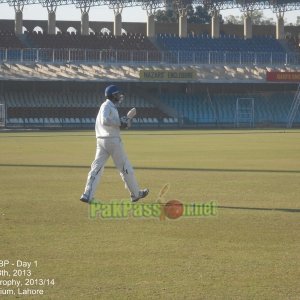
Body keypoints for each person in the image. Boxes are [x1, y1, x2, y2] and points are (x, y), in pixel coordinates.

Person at [80, 85, 149, 203]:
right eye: (117, 94)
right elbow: (105, 120)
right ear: (112, 95)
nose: (119, 96)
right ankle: (136, 194)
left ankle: (87, 194)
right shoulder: (107, 105)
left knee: (96, 169)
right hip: (112, 141)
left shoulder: (110, 106)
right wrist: (120, 122)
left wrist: (123, 122)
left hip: (102, 141)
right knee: (125, 168)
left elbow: (113, 124)